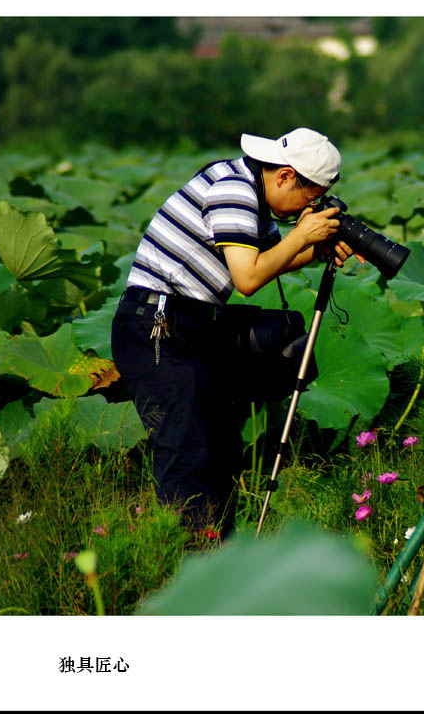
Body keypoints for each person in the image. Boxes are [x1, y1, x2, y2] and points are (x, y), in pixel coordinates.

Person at [111, 128, 359, 540]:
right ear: (284, 176)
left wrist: (318, 249)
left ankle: (218, 547)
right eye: (309, 197)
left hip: (190, 324)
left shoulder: (254, 195)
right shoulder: (233, 190)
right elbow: (248, 277)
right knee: (185, 451)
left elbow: (272, 259)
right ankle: (187, 560)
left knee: (219, 446)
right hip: (154, 325)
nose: (308, 208)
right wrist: (303, 235)